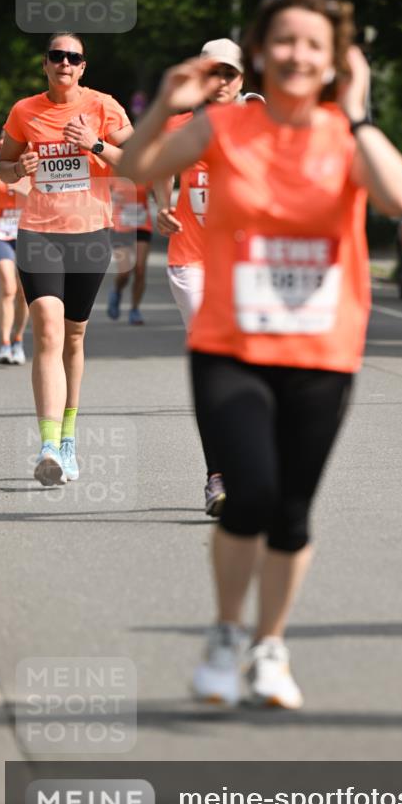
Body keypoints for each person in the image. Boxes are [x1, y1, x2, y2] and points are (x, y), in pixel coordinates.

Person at [120, 0, 402, 708]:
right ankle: (226, 635)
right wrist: (166, 98)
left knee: (290, 510)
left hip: (320, 350)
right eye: (284, 40)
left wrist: (356, 112)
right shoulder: (223, 129)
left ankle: (269, 647)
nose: (296, 54)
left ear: (333, 61)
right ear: (260, 51)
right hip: (230, 341)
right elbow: (135, 167)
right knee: (249, 492)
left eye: (313, 44)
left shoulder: (343, 134)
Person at [0, 32, 133, 485]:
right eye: (57, 56)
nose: (64, 63)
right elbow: (4, 166)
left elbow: (136, 162)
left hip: (90, 235)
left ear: (83, 67)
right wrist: (19, 170)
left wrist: (95, 143)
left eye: (72, 57)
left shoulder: (103, 107)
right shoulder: (24, 111)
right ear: (46, 64)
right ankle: (49, 445)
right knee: (48, 331)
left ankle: (70, 438)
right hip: (39, 233)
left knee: (74, 337)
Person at [155, 37, 244, 517]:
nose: (223, 82)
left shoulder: (259, 126)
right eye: (215, 73)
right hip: (191, 261)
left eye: (231, 73)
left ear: (242, 79)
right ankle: (218, 476)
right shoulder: (179, 124)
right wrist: (162, 204)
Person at [0, 144, 30, 363]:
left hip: (27, 234)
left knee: (23, 292)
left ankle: (18, 341)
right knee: (8, 288)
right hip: (0, 233)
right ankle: (4, 345)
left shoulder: (34, 166)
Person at [107, 180, 153, 325]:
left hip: (142, 225)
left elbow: (160, 193)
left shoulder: (147, 170)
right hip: (120, 228)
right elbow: (101, 195)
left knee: (140, 269)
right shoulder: (114, 170)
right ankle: (117, 291)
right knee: (124, 272)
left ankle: (135, 309)